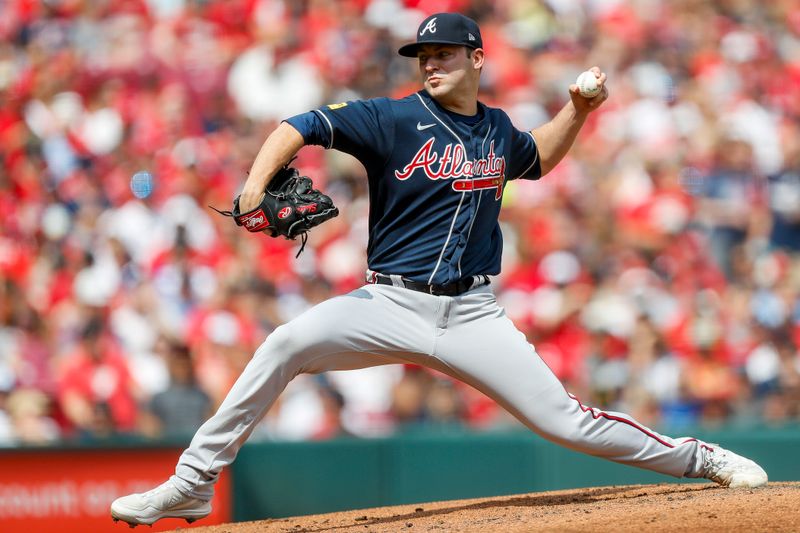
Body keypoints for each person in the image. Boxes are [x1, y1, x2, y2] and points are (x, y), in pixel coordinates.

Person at [110, 12, 767, 527]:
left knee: (566, 421)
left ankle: (700, 457)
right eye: (424, 56)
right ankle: (193, 481)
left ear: (476, 58)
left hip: (472, 312)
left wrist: (580, 110)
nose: (430, 64)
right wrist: (256, 185)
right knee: (285, 343)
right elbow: (298, 125)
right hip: (387, 303)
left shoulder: (497, 128)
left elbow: (535, 159)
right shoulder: (391, 118)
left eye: (443, 55)